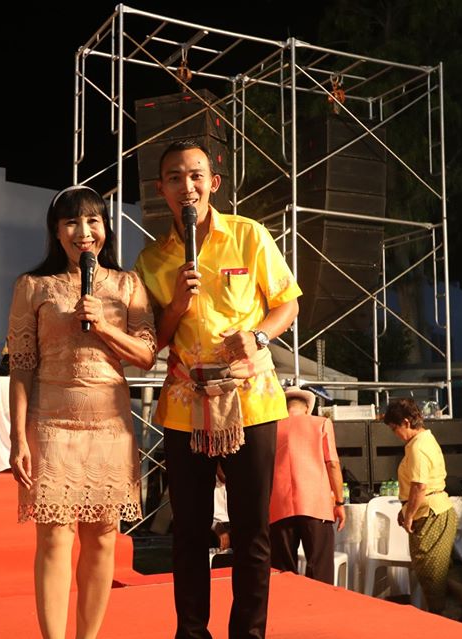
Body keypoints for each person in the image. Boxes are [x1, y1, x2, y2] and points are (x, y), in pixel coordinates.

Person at [135, 140, 301, 639]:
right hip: (185, 405)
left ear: (213, 183)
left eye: (195, 175)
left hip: (251, 400)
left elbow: (287, 303)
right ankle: (191, 633)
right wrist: (175, 306)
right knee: (189, 531)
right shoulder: (152, 260)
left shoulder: (249, 235)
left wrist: (259, 336)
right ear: (161, 188)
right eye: (174, 177)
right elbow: (152, 341)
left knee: (251, 530)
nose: (186, 186)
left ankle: (248, 634)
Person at [7, 185, 156, 639]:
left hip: (110, 427)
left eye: (93, 221)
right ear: (56, 231)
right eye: (72, 222)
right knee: (54, 537)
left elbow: (146, 356)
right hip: (52, 423)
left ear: (105, 228)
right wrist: (17, 436)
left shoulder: (128, 284)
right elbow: (22, 366)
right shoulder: (33, 286)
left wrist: (104, 325)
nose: (84, 231)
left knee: (103, 536)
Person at [383, 398, 462, 625]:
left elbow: (420, 486)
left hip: (430, 512)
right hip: (436, 509)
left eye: (395, 428)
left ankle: (437, 617)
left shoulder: (418, 446)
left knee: (430, 569)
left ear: (406, 422)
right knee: (440, 566)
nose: (395, 434)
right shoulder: (425, 439)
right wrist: (406, 509)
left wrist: (409, 515)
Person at [268, 386, 345, 584]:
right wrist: (339, 502)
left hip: (279, 506)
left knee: (283, 572)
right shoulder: (321, 423)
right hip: (316, 505)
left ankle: (288, 603)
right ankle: (320, 603)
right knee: (319, 569)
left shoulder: (271, 428)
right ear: (307, 407)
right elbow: (333, 464)